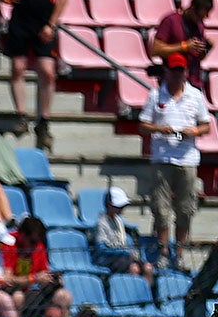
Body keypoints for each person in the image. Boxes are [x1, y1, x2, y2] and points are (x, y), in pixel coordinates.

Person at [2, 0, 70, 151]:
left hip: (43, 22)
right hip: (21, 20)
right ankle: (21, 114)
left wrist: (52, 23)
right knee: (18, 67)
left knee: (47, 71)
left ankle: (44, 119)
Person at [138, 56, 209, 269]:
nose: (178, 74)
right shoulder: (155, 95)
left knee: (185, 209)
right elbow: (143, 124)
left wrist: (193, 131)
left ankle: (178, 252)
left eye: (181, 70)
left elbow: (206, 125)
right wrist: (161, 129)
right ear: (167, 71)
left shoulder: (195, 96)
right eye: (174, 70)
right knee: (161, 208)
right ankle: (162, 250)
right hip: (163, 158)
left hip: (187, 159)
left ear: (186, 72)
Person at [90, 185, 142, 275]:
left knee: (146, 267)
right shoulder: (101, 223)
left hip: (120, 257)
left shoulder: (119, 221)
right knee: (134, 268)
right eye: (119, 207)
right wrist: (123, 252)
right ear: (109, 205)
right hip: (106, 259)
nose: (121, 210)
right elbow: (101, 248)